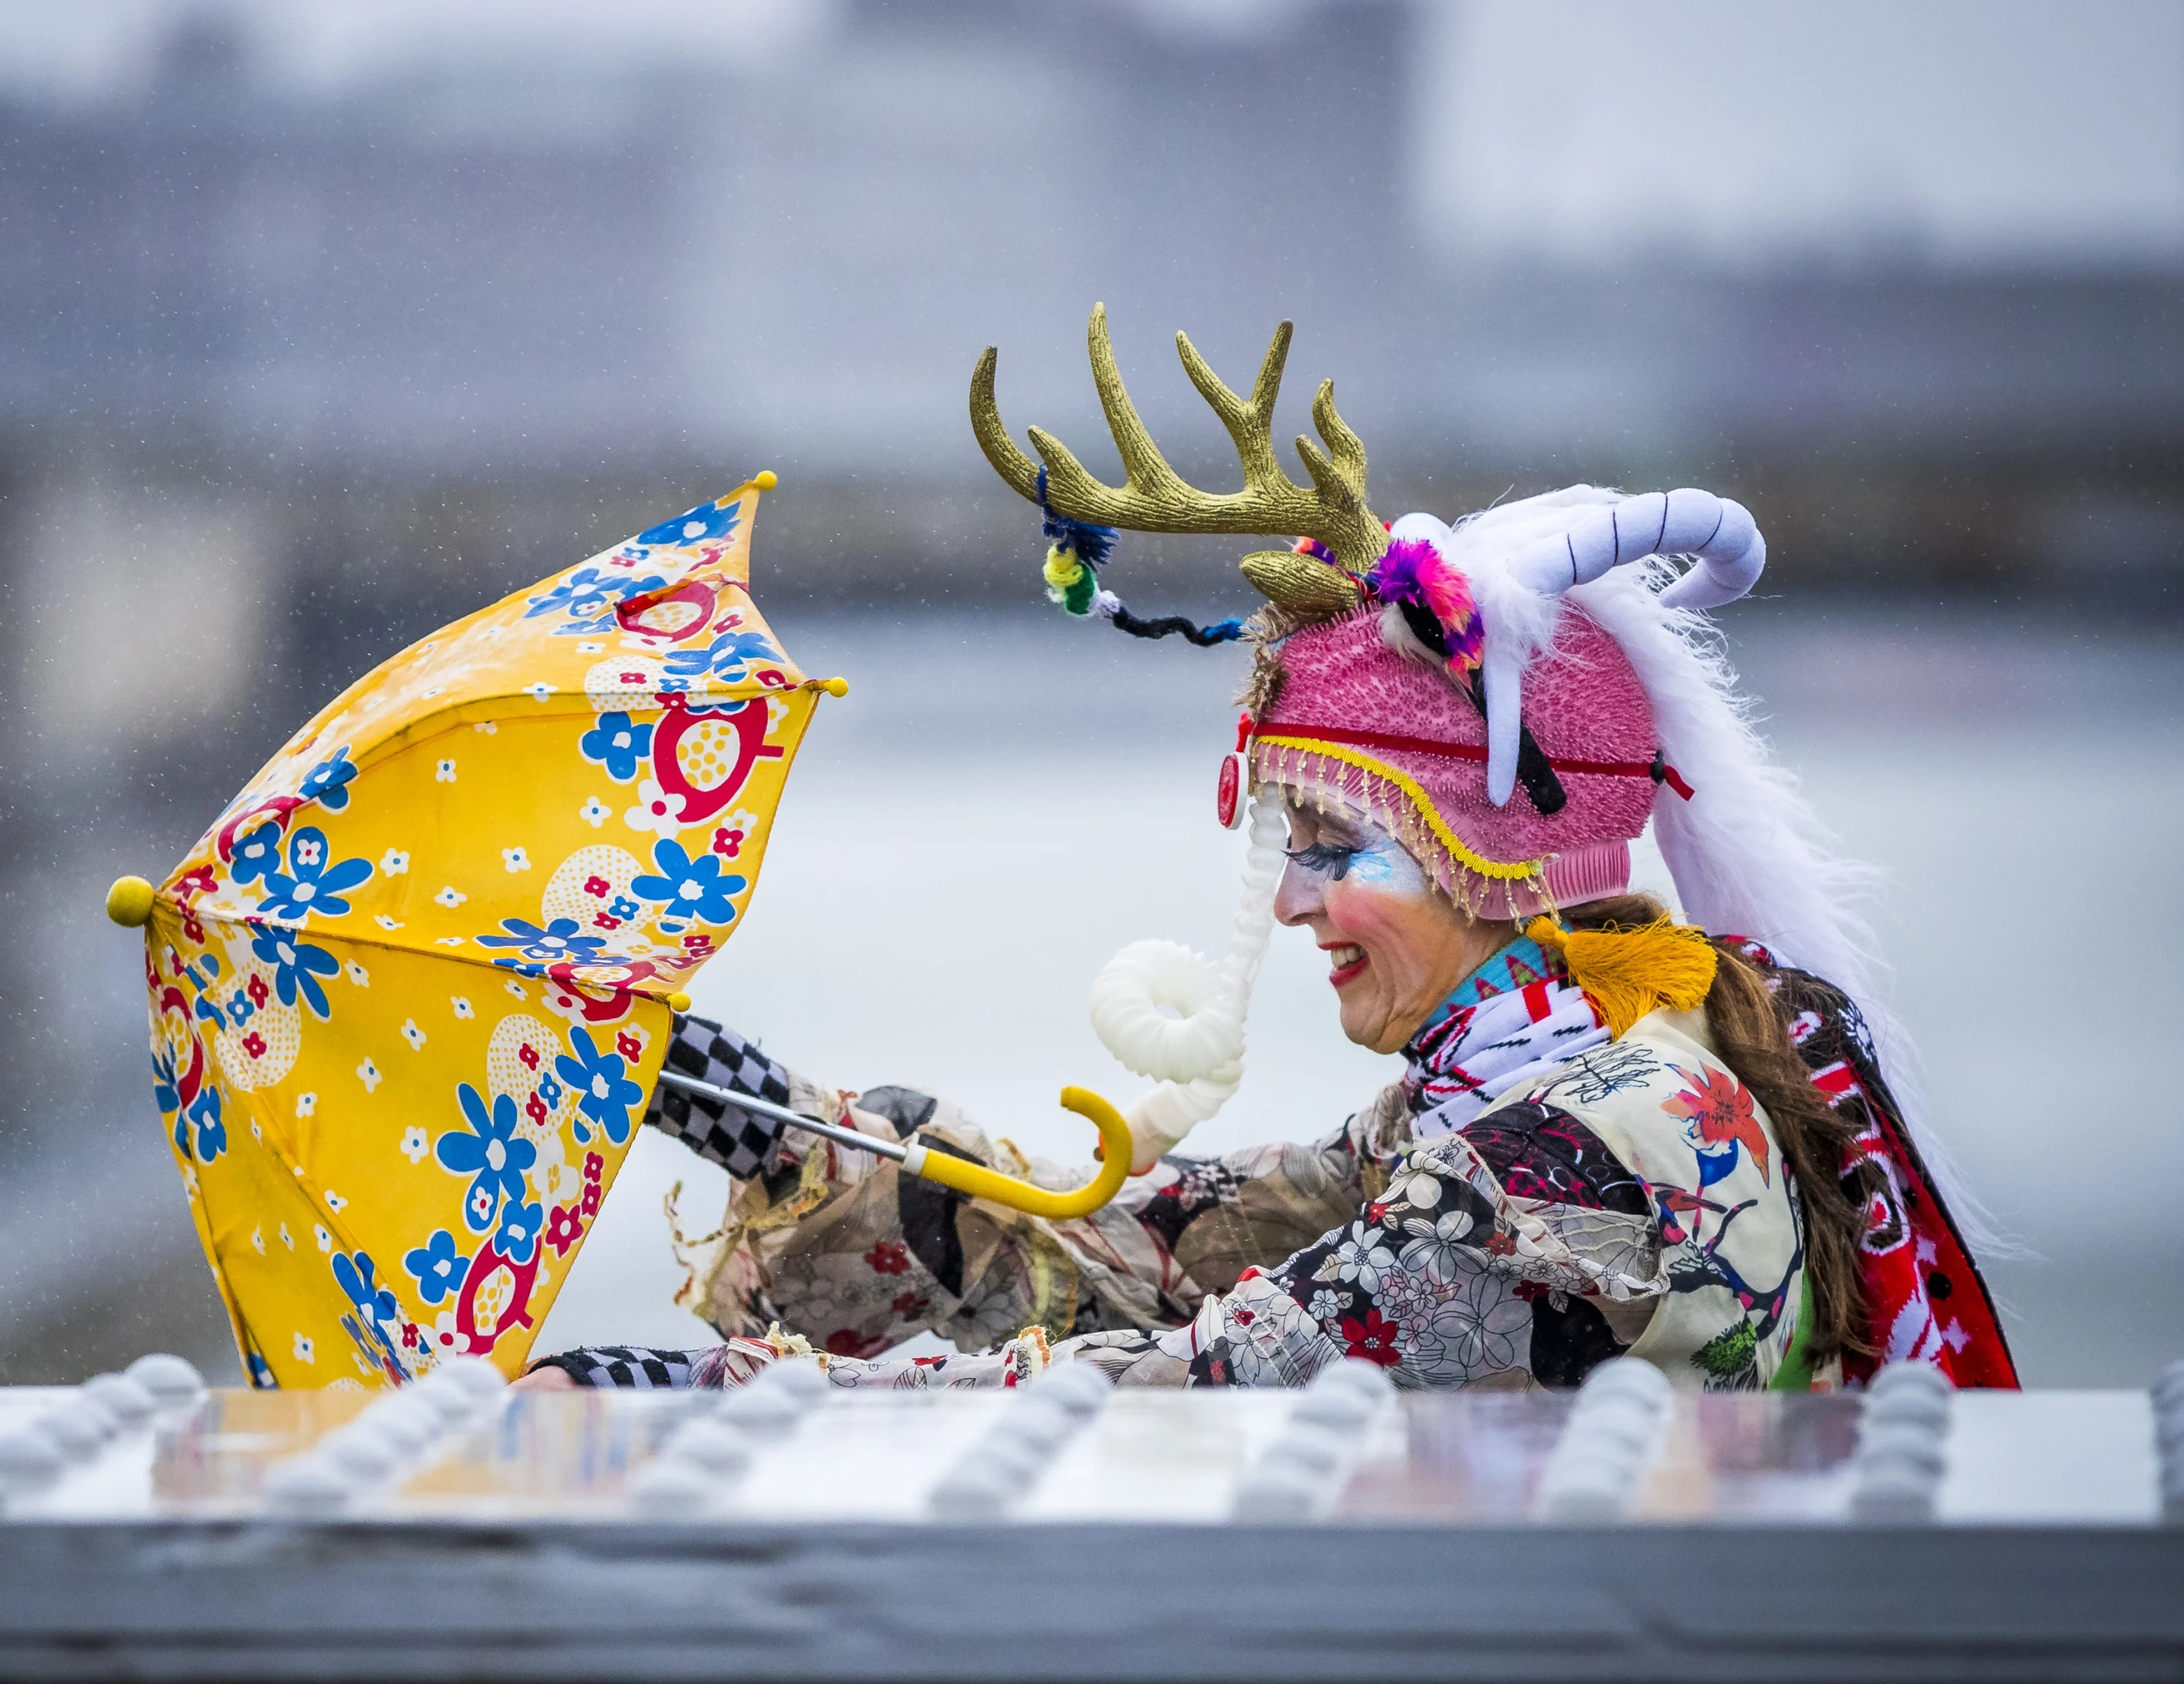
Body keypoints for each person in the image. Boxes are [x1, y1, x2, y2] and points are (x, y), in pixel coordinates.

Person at [518, 310, 2012, 1396]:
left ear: (1496, 847)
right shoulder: (1572, 1069)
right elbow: (1134, 1241)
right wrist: (698, 1080)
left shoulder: (1587, 1151)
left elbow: (1180, 1381)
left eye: (1336, 843)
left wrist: (705, 1396)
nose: (1292, 901)